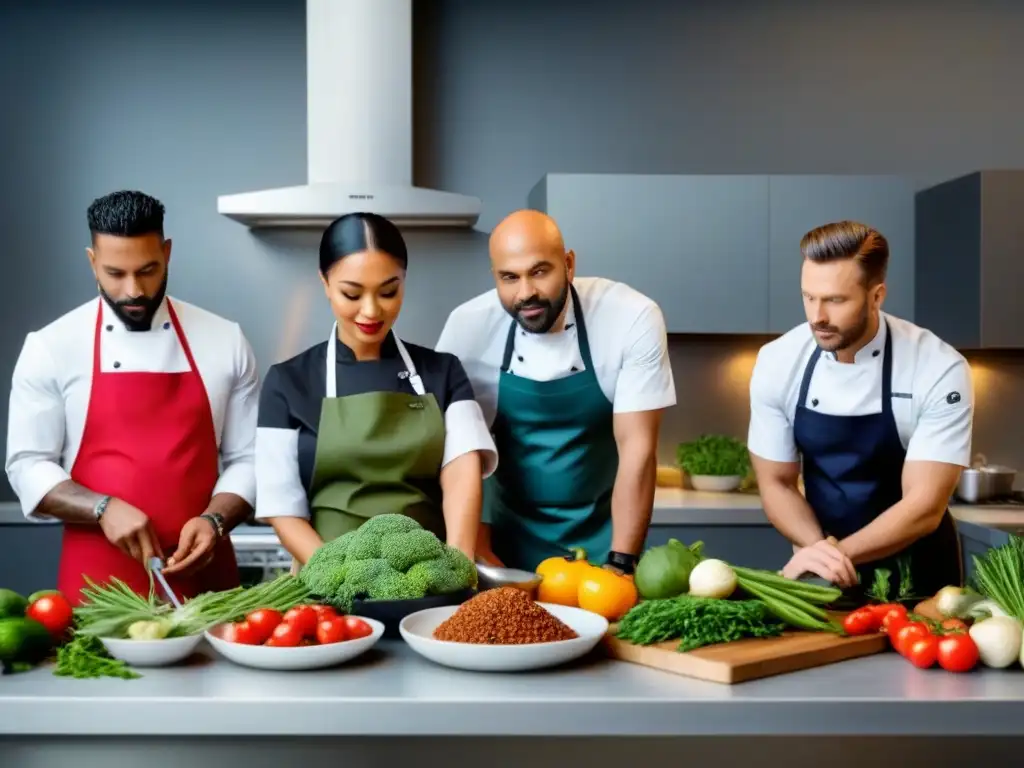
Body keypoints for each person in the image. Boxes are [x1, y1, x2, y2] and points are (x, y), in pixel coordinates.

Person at [5, 190, 259, 604]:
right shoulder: (51, 346)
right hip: (96, 587)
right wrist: (102, 507)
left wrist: (215, 520)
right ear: (92, 262)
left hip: (207, 586)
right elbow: (27, 464)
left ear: (168, 253)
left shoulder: (223, 339)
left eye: (148, 270)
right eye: (115, 273)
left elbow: (247, 459)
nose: (134, 290)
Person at [435, 209, 676, 574]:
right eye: (509, 278)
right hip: (504, 546)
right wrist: (479, 556)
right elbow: (462, 458)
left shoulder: (631, 316)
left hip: (605, 541)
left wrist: (621, 562)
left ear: (568, 264)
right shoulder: (467, 329)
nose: (526, 293)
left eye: (540, 271)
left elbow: (638, 450)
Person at [254, 212, 498, 565]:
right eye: (351, 294)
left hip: (428, 578)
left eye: (388, 291)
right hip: (327, 585)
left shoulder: (443, 372)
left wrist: (457, 563)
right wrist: (340, 575)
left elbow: (462, 471)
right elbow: (282, 508)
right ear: (324, 283)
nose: (371, 311)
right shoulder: (287, 382)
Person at [747, 220, 972, 599]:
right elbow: (776, 482)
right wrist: (819, 551)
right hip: (820, 570)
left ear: (876, 295)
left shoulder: (937, 367)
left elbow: (923, 506)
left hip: (921, 579)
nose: (816, 316)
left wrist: (833, 557)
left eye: (835, 300)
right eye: (808, 296)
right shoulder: (778, 361)